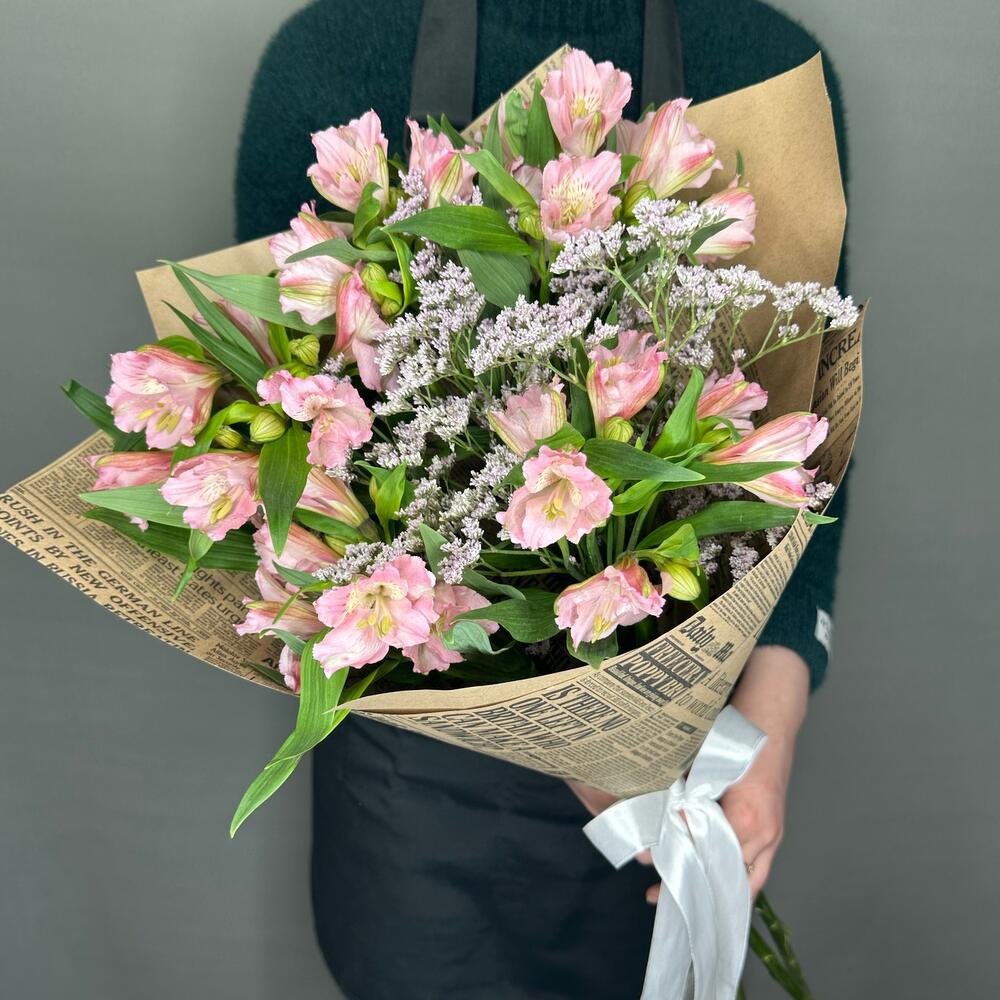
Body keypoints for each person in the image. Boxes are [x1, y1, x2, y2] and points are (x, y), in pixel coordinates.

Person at [235, 2, 850, 996]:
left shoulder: (766, 63)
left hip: (689, 772)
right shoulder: (330, 58)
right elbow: (283, 446)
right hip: (417, 808)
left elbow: (809, 456)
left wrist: (766, 739)